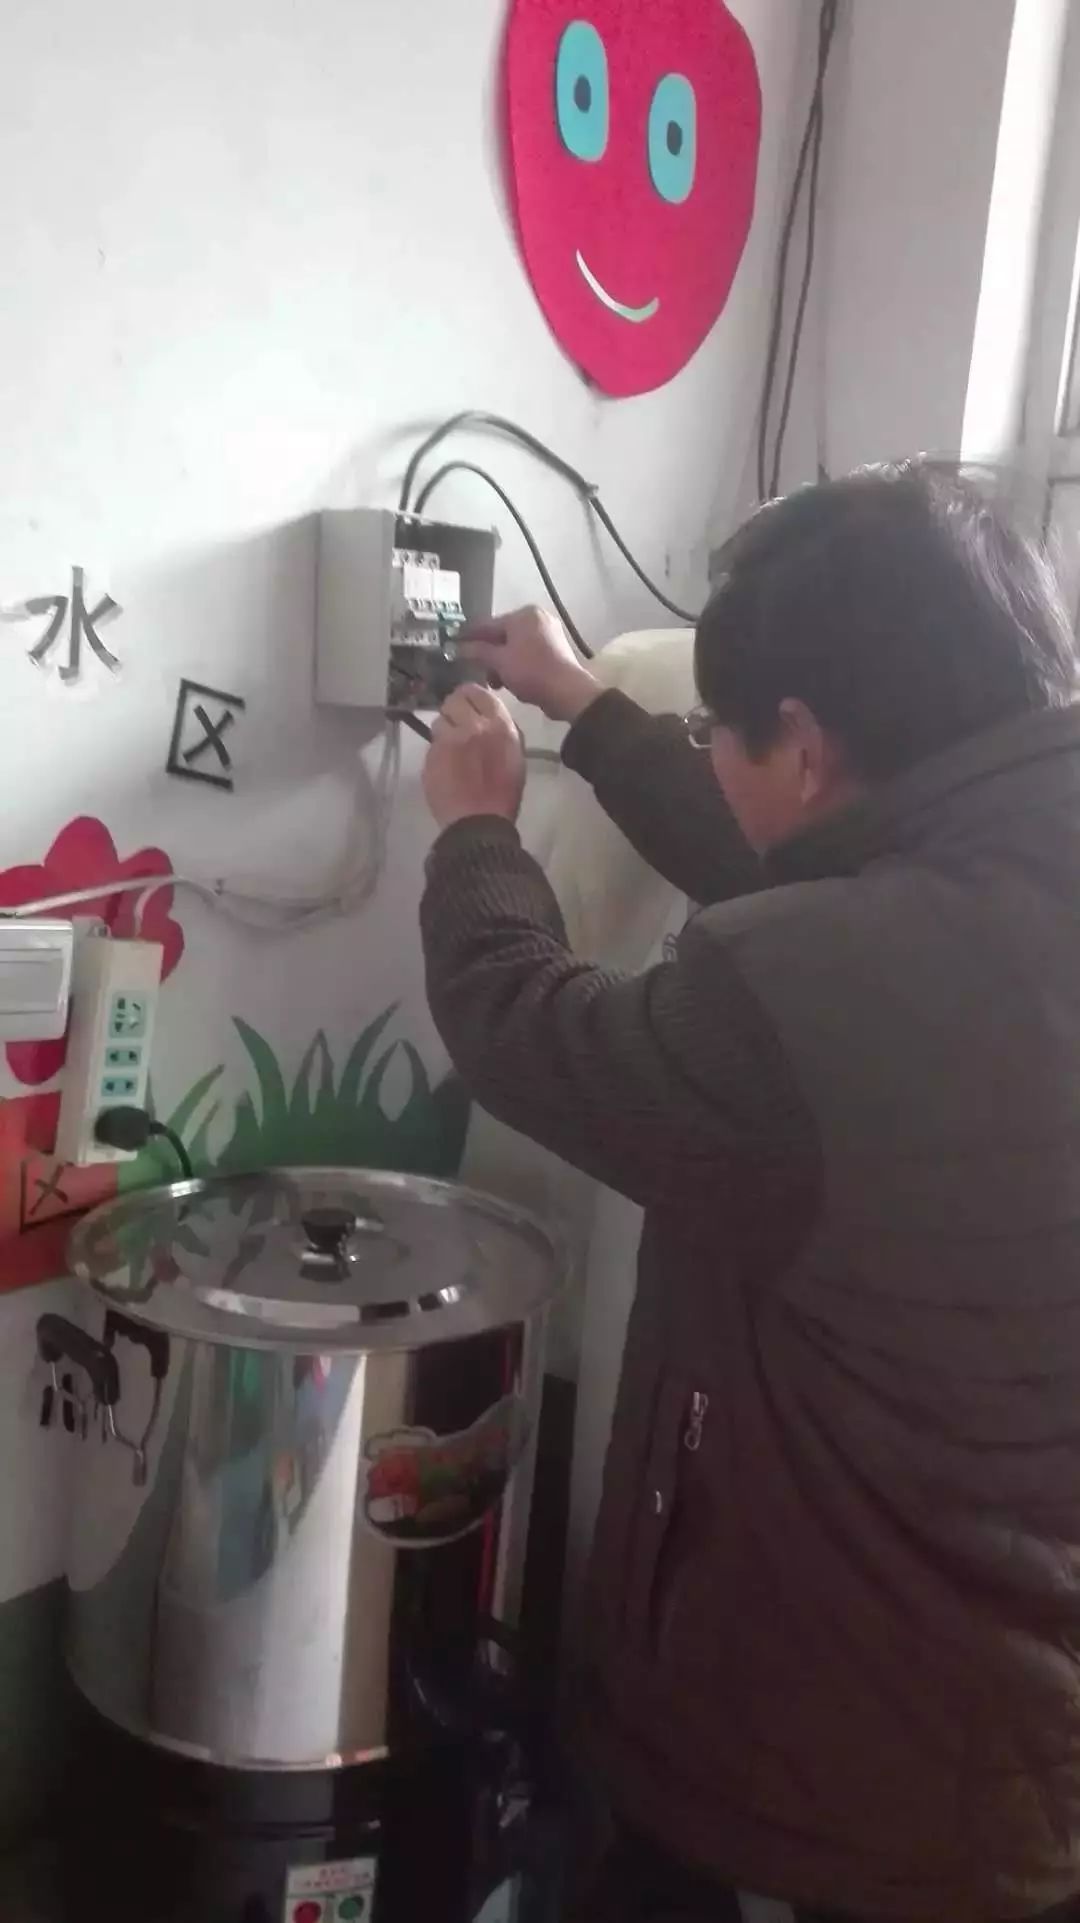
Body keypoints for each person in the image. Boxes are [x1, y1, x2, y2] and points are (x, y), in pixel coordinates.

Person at [417, 460, 1080, 1923]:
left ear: (809, 745)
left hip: (826, 1776)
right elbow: (831, 877)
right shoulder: (1000, 869)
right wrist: (589, 709)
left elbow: (524, 1027)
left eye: (721, 731)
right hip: (1023, 1749)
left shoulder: (826, 982)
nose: (714, 755)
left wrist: (475, 832)